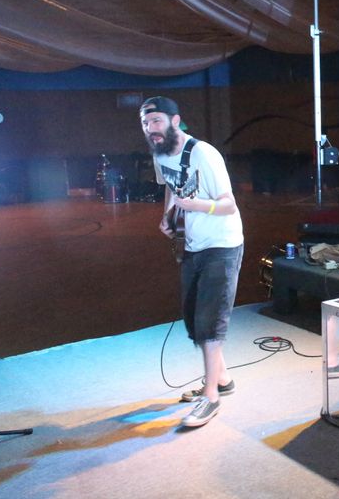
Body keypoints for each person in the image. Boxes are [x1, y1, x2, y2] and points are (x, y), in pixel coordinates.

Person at [140, 96, 244, 428]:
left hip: (222, 244)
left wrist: (197, 206)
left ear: (175, 121)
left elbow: (228, 205)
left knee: (210, 322)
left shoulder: (203, 154)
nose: (150, 128)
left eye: (156, 121)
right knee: (193, 319)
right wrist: (168, 215)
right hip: (193, 244)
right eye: (145, 123)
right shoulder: (159, 153)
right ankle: (223, 379)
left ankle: (211, 396)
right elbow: (171, 188)